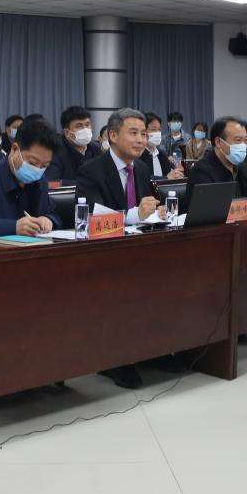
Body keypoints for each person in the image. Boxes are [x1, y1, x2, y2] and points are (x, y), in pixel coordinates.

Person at [75, 107, 166, 390]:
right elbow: (93, 216)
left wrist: (156, 212)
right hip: (103, 254)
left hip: (138, 248)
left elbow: (145, 211)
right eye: (133, 133)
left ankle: (156, 349)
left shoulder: (142, 168)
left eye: (144, 134)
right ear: (113, 136)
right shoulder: (92, 169)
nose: (141, 140)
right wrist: (136, 214)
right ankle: (115, 360)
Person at [186, 116, 247, 214]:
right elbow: (216, 206)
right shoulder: (201, 170)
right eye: (238, 140)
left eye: (245, 141)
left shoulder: (241, 167)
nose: (243, 146)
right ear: (218, 142)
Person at [44, 105, 100, 185]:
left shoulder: (96, 149)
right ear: (67, 133)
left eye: (87, 125)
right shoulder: (55, 151)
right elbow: (51, 183)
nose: (85, 129)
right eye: (79, 126)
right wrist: (83, 184)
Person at [140, 112, 184, 179]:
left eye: (159, 129)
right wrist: (166, 178)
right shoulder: (138, 154)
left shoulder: (161, 154)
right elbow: (144, 179)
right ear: (143, 132)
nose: (157, 133)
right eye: (153, 129)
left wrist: (177, 172)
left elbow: (171, 171)